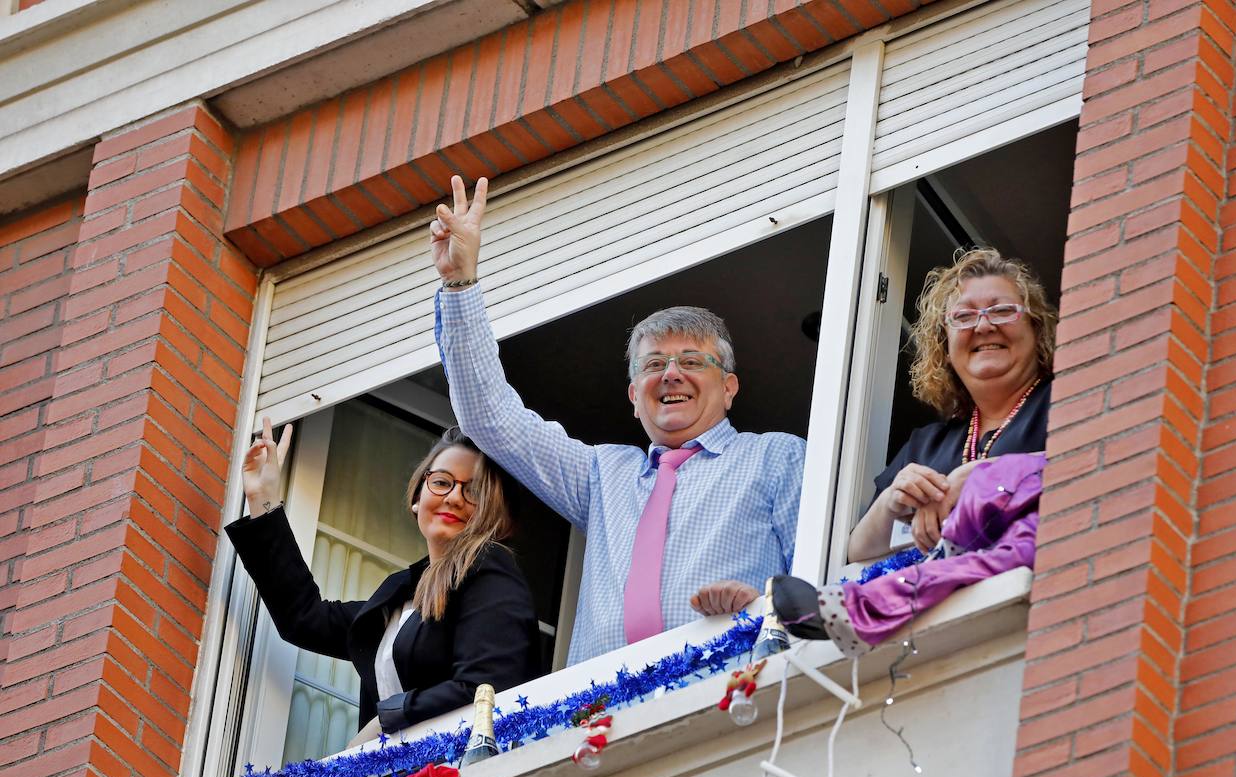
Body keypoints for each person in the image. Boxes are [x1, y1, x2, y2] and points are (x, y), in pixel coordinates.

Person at [429, 176, 806, 666]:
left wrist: (765, 607)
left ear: (729, 388)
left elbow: (822, 574)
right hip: (600, 717)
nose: (671, 375)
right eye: (653, 365)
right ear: (634, 397)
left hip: (732, 695)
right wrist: (459, 284)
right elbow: (490, 417)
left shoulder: (776, 456)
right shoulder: (603, 475)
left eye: (691, 362)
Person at [226, 420, 541, 742]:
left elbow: (486, 688)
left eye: (473, 491)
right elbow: (304, 618)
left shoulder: (491, 573)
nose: (454, 498)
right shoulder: (400, 598)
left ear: (494, 514)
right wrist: (264, 501)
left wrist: (387, 718)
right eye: (442, 482)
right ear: (418, 497)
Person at [848, 247, 1057, 562]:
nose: (984, 326)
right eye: (963, 316)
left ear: (1036, 329)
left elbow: (1096, 464)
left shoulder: (1065, 400)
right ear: (943, 346)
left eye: (1002, 310)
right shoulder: (926, 446)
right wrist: (893, 499)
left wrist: (984, 476)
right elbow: (856, 554)